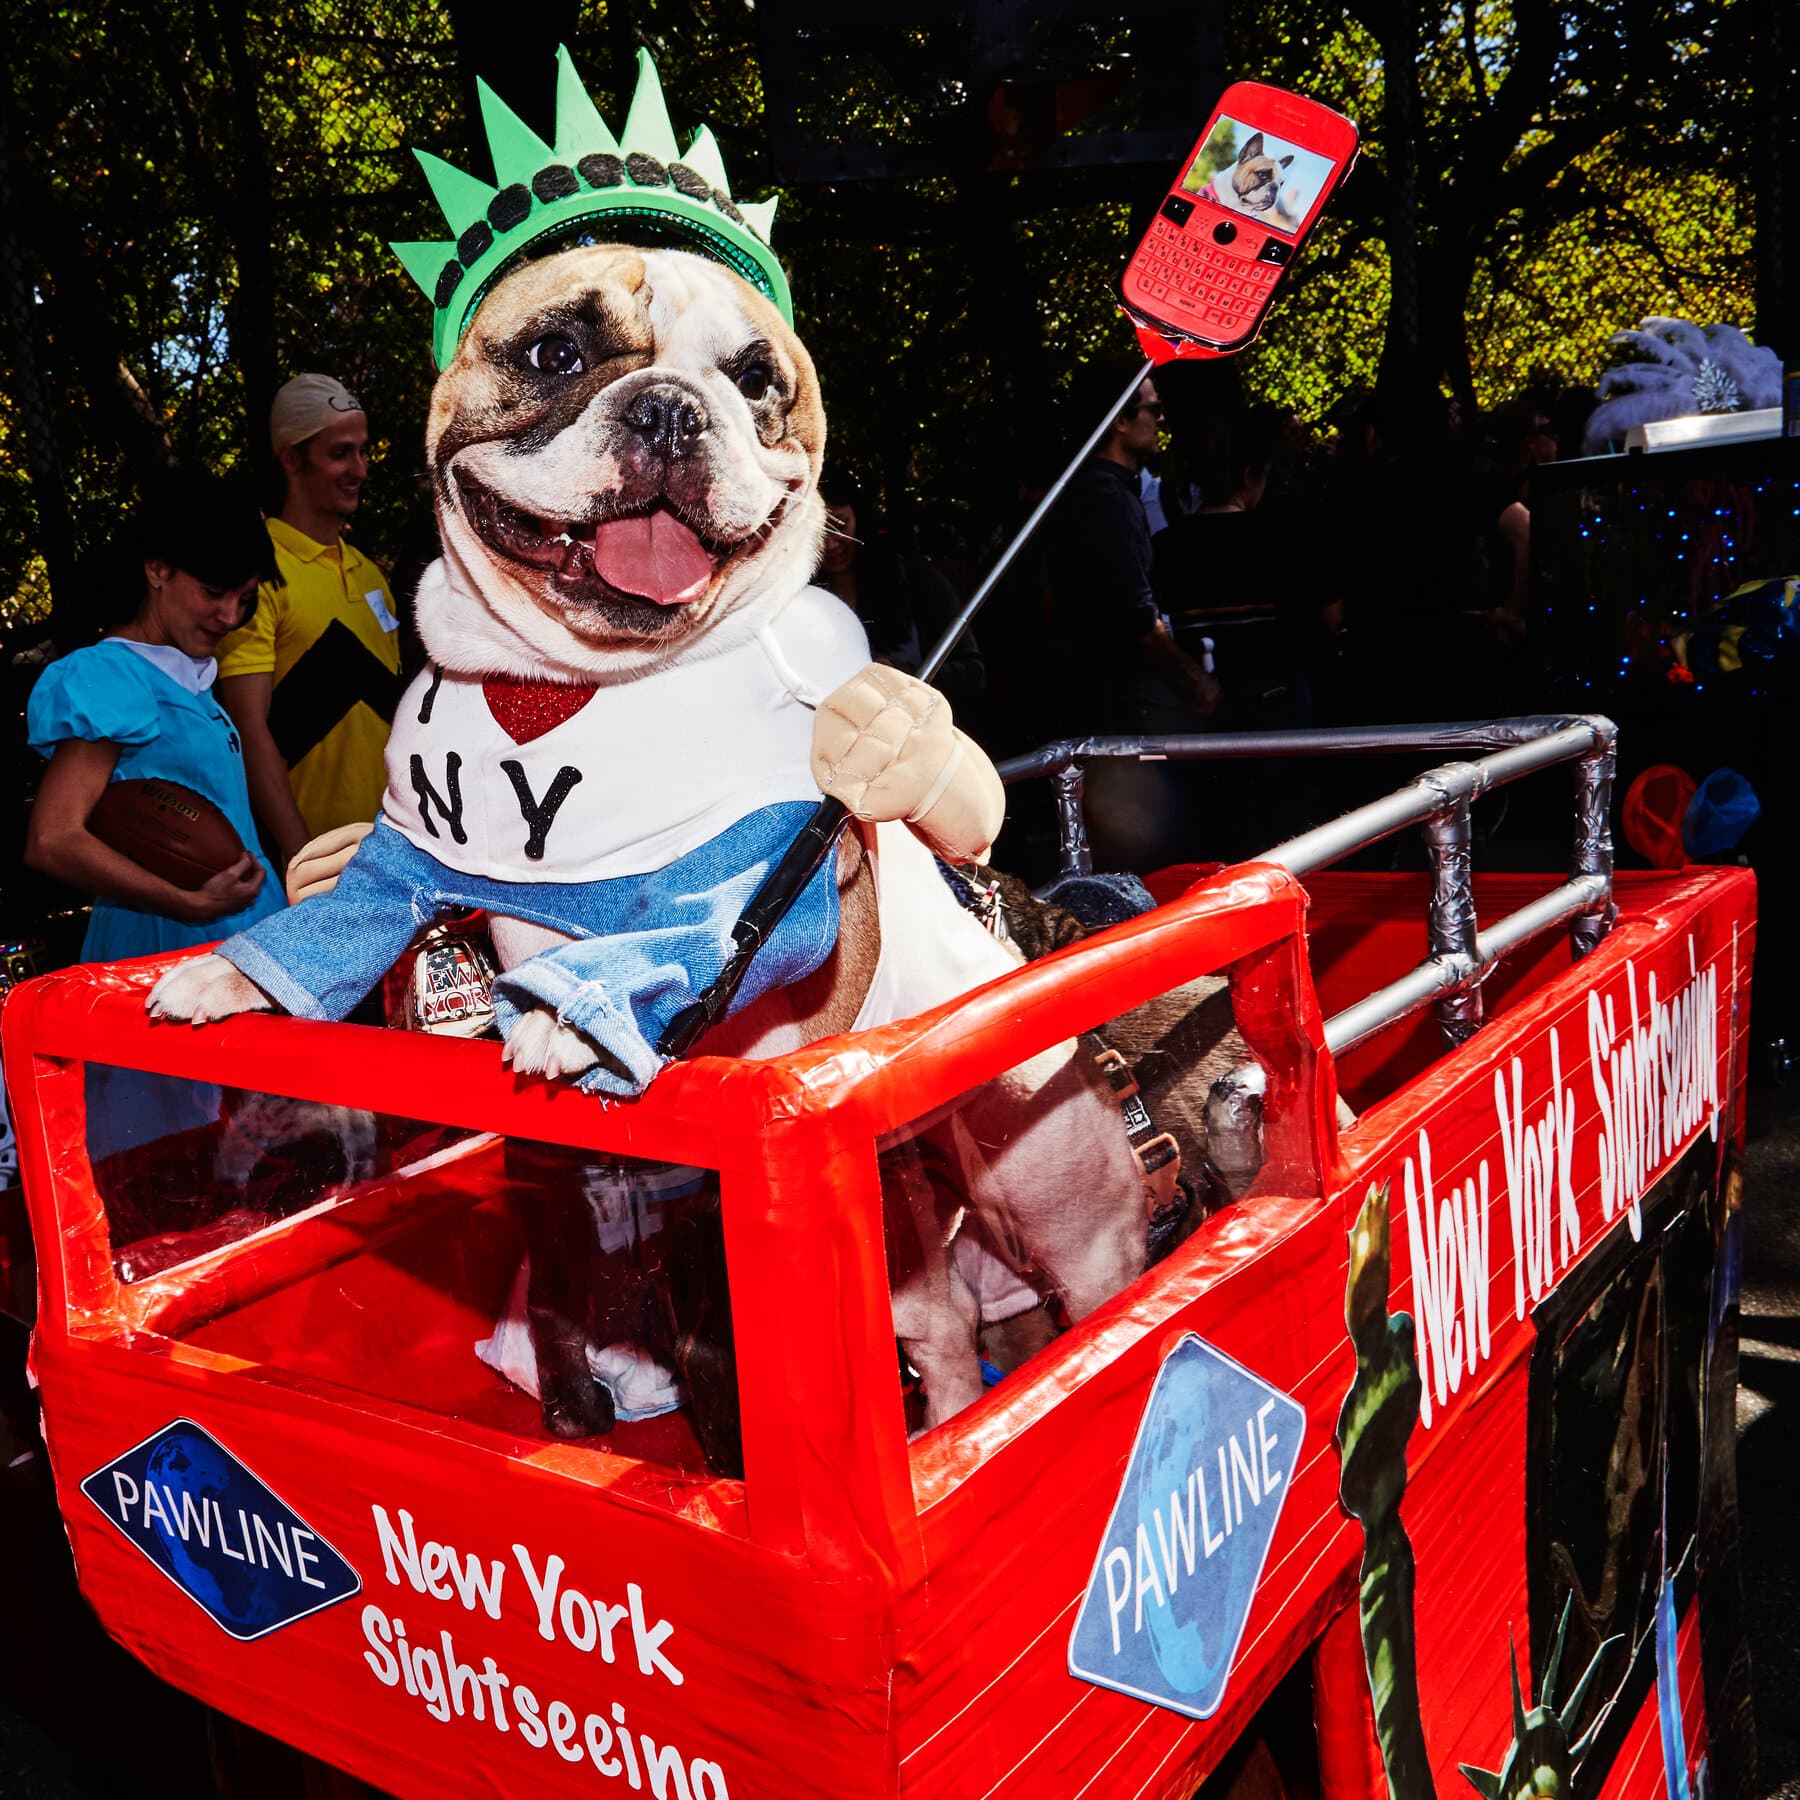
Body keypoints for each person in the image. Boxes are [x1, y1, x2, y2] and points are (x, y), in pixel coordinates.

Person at [26, 474, 285, 959]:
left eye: (245, 599)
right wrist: (186, 903)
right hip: (167, 946)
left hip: (240, 932)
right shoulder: (109, 675)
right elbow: (53, 838)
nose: (230, 616)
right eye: (213, 591)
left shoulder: (187, 675)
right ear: (156, 570)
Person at [215, 372, 402, 873]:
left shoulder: (369, 573)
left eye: (363, 452)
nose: (358, 469)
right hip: (315, 866)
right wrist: (300, 855)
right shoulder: (258, 572)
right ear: (291, 459)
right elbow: (247, 729)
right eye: (340, 453)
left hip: (397, 849)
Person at [1041, 360, 1219, 869]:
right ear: (1121, 420)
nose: (1162, 419)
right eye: (1154, 408)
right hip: (1118, 714)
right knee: (1155, 857)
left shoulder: (1099, 492)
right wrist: (1193, 680)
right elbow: (1132, 615)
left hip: (1107, 711)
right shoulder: (1103, 499)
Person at [814, 461, 985, 715]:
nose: (831, 545)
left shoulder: (917, 581)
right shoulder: (806, 597)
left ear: (861, 518)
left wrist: (903, 677)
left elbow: (973, 673)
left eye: (839, 525)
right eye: (818, 533)